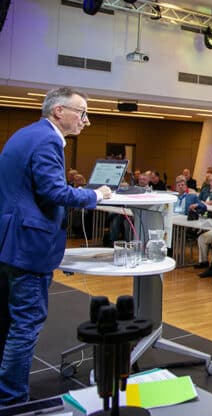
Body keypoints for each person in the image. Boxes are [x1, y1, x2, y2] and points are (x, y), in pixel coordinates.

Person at [0, 87, 112, 405]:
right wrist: (95, 195)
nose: (86, 121)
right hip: (28, 246)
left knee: (8, 320)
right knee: (26, 323)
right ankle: (12, 401)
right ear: (59, 111)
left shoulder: (26, 135)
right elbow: (53, 192)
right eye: (82, 112)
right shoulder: (48, 139)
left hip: (9, 242)